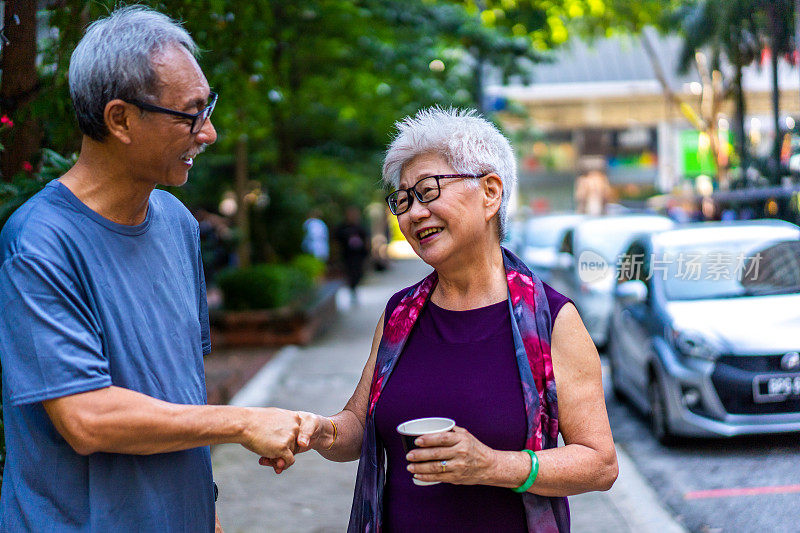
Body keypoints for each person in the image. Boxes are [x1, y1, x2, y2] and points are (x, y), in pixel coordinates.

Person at [0, 7, 313, 532]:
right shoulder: (39, 244)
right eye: (189, 115)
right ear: (120, 119)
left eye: (207, 107)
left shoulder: (176, 222)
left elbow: (182, 384)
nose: (207, 133)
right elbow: (88, 418)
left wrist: (204, 506)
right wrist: (244, 422)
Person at [293, 108, 618, 532]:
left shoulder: (551, 320)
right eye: (403, 200)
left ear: (490, 192)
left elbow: (599, 463)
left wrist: (492, 466)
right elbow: (357, 425)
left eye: (427, 191)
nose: (412, 214)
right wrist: (314, 431)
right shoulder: (400, 315)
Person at [335, 205, 370, 303]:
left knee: (358, 273)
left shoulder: (360, 227)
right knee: (350, 273)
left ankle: (354, 288)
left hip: (359, 256)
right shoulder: (343, 228)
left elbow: (366, 240)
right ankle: (352, 290)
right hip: (348, 256)